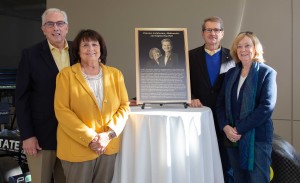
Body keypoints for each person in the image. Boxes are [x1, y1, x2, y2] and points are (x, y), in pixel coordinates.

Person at [54, 29, 130, 183]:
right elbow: (62, 111)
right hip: (77, 147)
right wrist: (91, 138)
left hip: (107, 146)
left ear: (101, 49)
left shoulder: (116, 75)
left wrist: (108, 135)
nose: (91, 49)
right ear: (78, 51)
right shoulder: (66, 75)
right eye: (85, 45)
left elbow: (124, 106)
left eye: (95, 44)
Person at [15, 8, 74, 183]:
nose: (56, 28)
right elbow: (21, 97)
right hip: (41, 137)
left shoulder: (80, 51)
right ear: (43, 29)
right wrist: (27, 135)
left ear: (67, 27)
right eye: (50, 24)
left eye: (60, 23)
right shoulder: (30, 55)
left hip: (73, 135)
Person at [216, 31, 277, 183]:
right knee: (239, 179)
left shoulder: (266, 73)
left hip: (257, 139)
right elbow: (220, 104)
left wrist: (238, 129)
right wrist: (225, 127)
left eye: (247, 45)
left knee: (258, 179)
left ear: (255, 48)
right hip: (231, 138)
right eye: (239, 46)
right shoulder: (230, 73)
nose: (243, 49)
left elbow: (266, 107)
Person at [189, 16, 235, 183]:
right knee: (198, 162)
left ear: (222, 33)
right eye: (208, 30)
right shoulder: (190, 56)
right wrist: (192, 97)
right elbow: (182, 83)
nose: (212, 33)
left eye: (216, 30)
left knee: (226, 165)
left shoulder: (233, 57)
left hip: (226, 121)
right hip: (198, 117)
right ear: (202, 33)